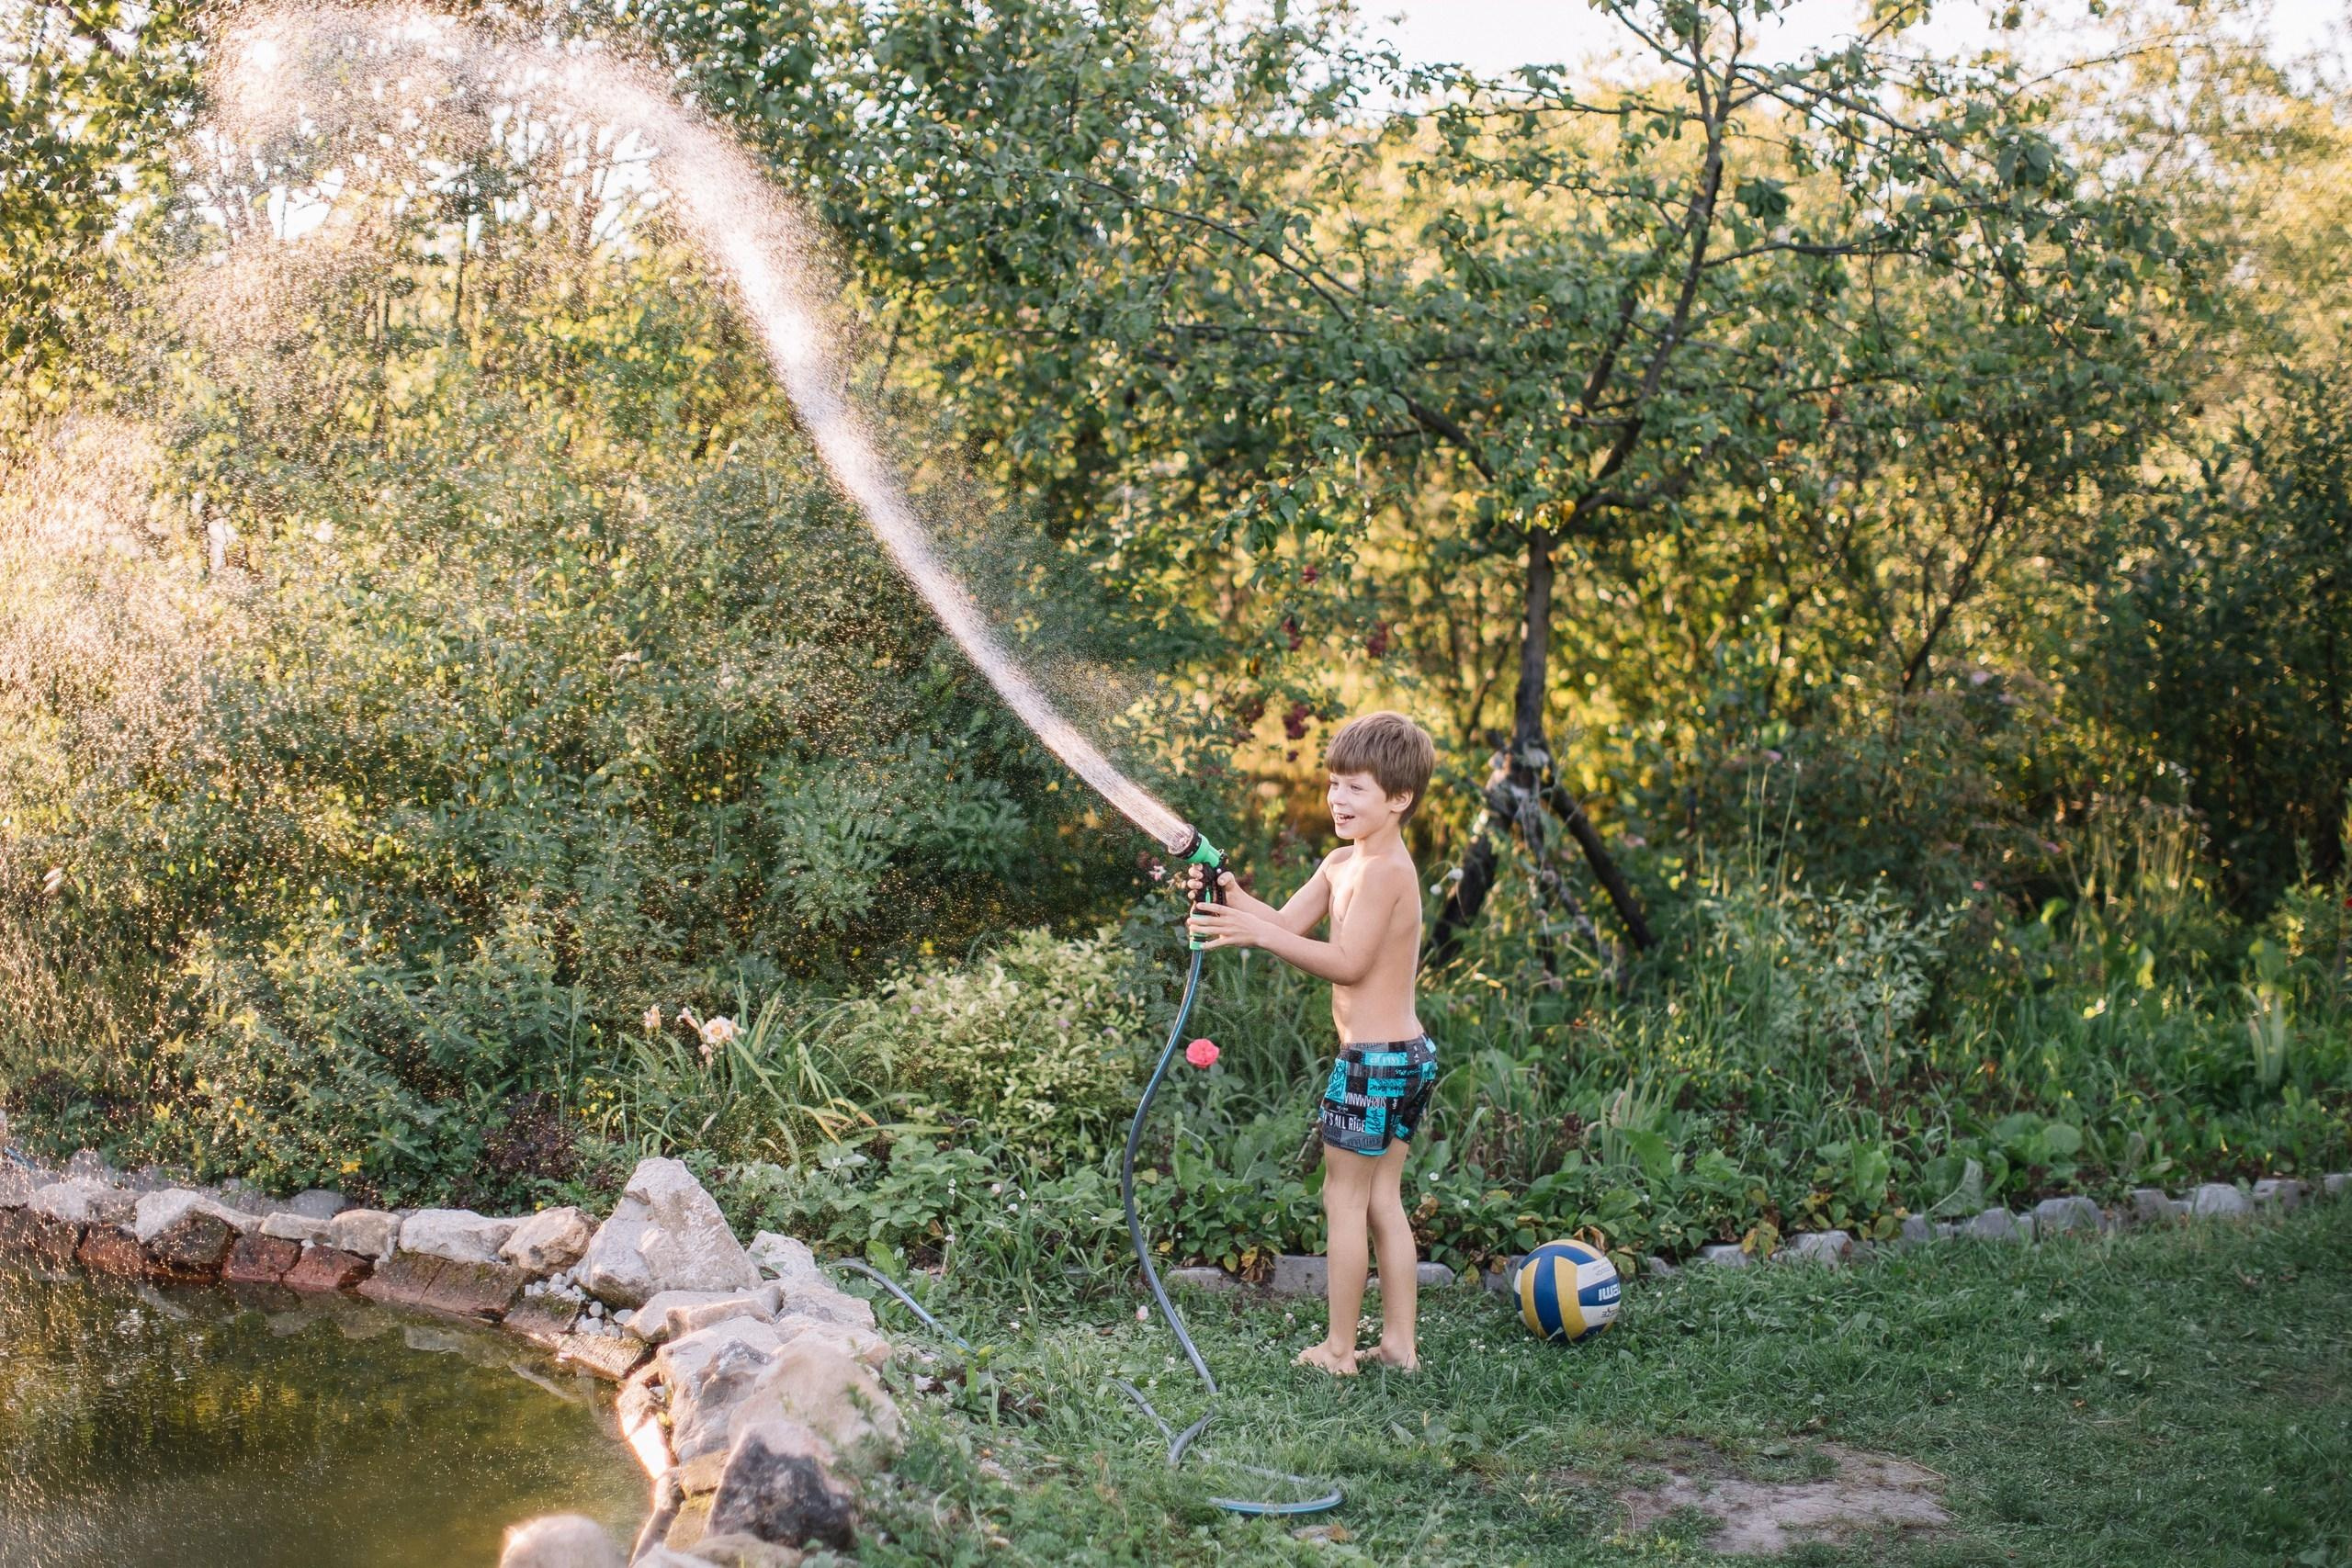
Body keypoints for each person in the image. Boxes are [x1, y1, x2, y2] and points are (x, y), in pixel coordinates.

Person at [1186, 710, 1437, 1374]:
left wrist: (1261, 935)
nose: (1337, 799)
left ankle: (1339, 1350)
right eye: (1332, 784)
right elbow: (1285, 922)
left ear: (1399, 797)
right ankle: (1399, 1346)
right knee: (1382, 1198)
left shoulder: (1387, 871)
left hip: (1374, 1062)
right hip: (1406, 1056)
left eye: (1355, 787)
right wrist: (1234, 897)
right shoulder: (1340, 863)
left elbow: (1349, 961)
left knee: (1345, 1200)